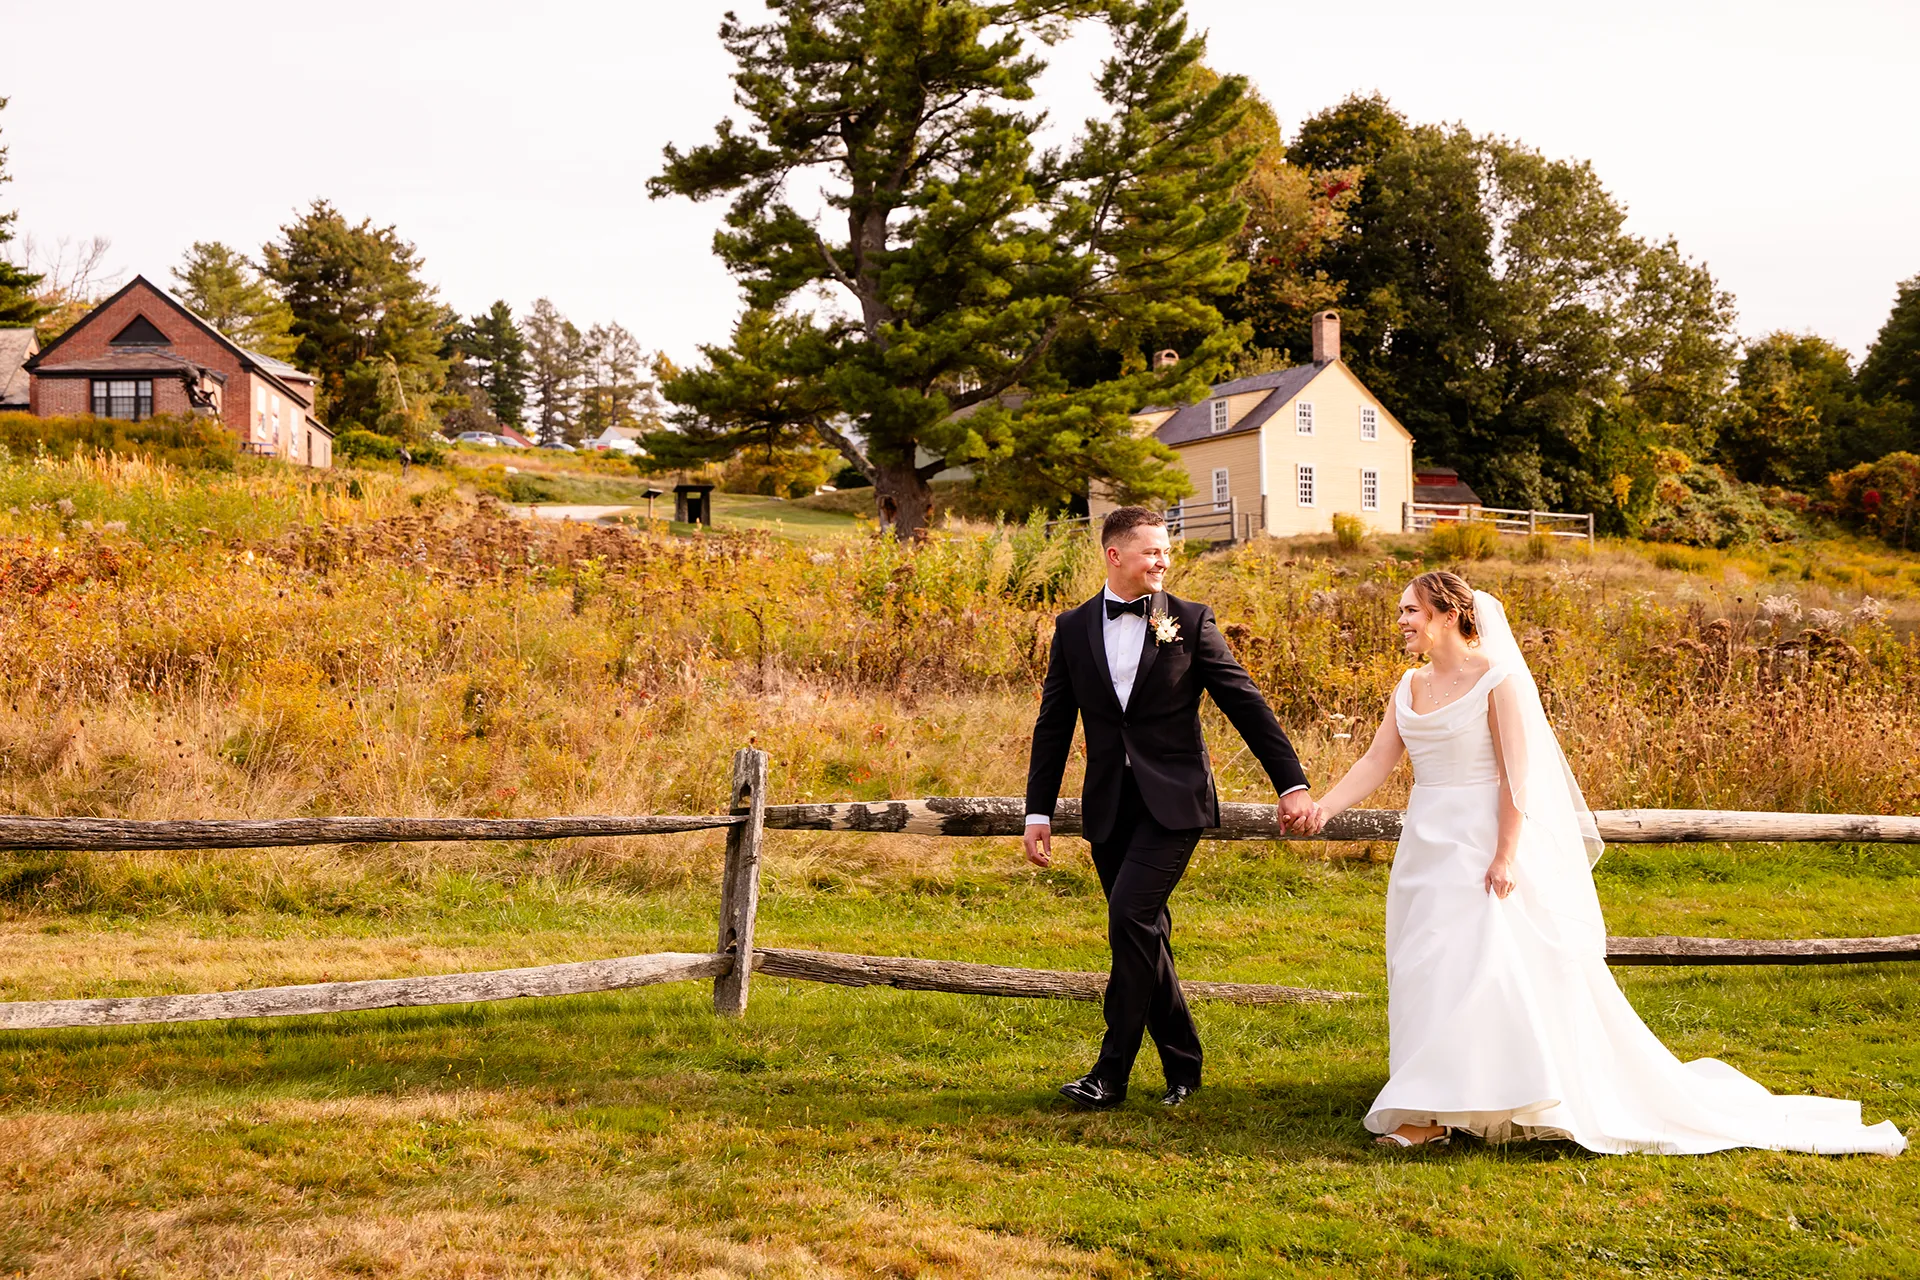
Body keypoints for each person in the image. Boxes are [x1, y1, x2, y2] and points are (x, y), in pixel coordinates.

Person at [1298, 570, 1906, 1155]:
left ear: (1448, 615)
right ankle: (1442, 1097)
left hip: (1484, 842)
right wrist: (1323, 806)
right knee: (1426, 964)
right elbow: (1378, 761)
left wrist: (1506, 853)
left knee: (1480, 964)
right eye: (1402, 610)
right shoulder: (1408, 685)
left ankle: (1440, 1114)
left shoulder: (1498, 679)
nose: (1401, 620)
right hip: (1426, 843)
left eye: (1411, 610)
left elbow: (1519, 777)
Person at [1023, 506, 1316, 1110]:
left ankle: (1110, 1075)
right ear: (1115, 555)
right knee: (1145, 934)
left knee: (1129, 919)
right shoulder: (1073, 627)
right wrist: (1037, 812)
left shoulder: (1190, 621)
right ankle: (1184, 1064)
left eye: (1166, 551)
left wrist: (1291, 784)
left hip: (1175, 802)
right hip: (1108, 807)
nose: (1163, 560)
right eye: (1152, 551)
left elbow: (1245, 703)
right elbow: (1053, 725)